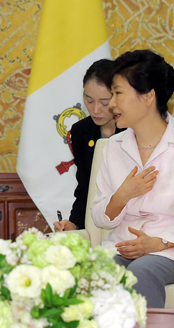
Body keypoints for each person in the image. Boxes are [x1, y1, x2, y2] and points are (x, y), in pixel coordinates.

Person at [90, 49, 174, 308]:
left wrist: (157, 243)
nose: (111, 103)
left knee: (142, 271)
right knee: (95, 272)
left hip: (173, 251)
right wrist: (122, 195)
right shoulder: (113, 148)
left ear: (147, 97)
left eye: (118, 93)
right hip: (121, 246)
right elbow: (99, 217)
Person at [54, 59, 124, 232]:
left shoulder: (134, 129)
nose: (96, 110)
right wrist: (74, 223)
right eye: (89, 100)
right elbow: (86, 185)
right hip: (96, 221)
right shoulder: (80, 131)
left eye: (104, 102)